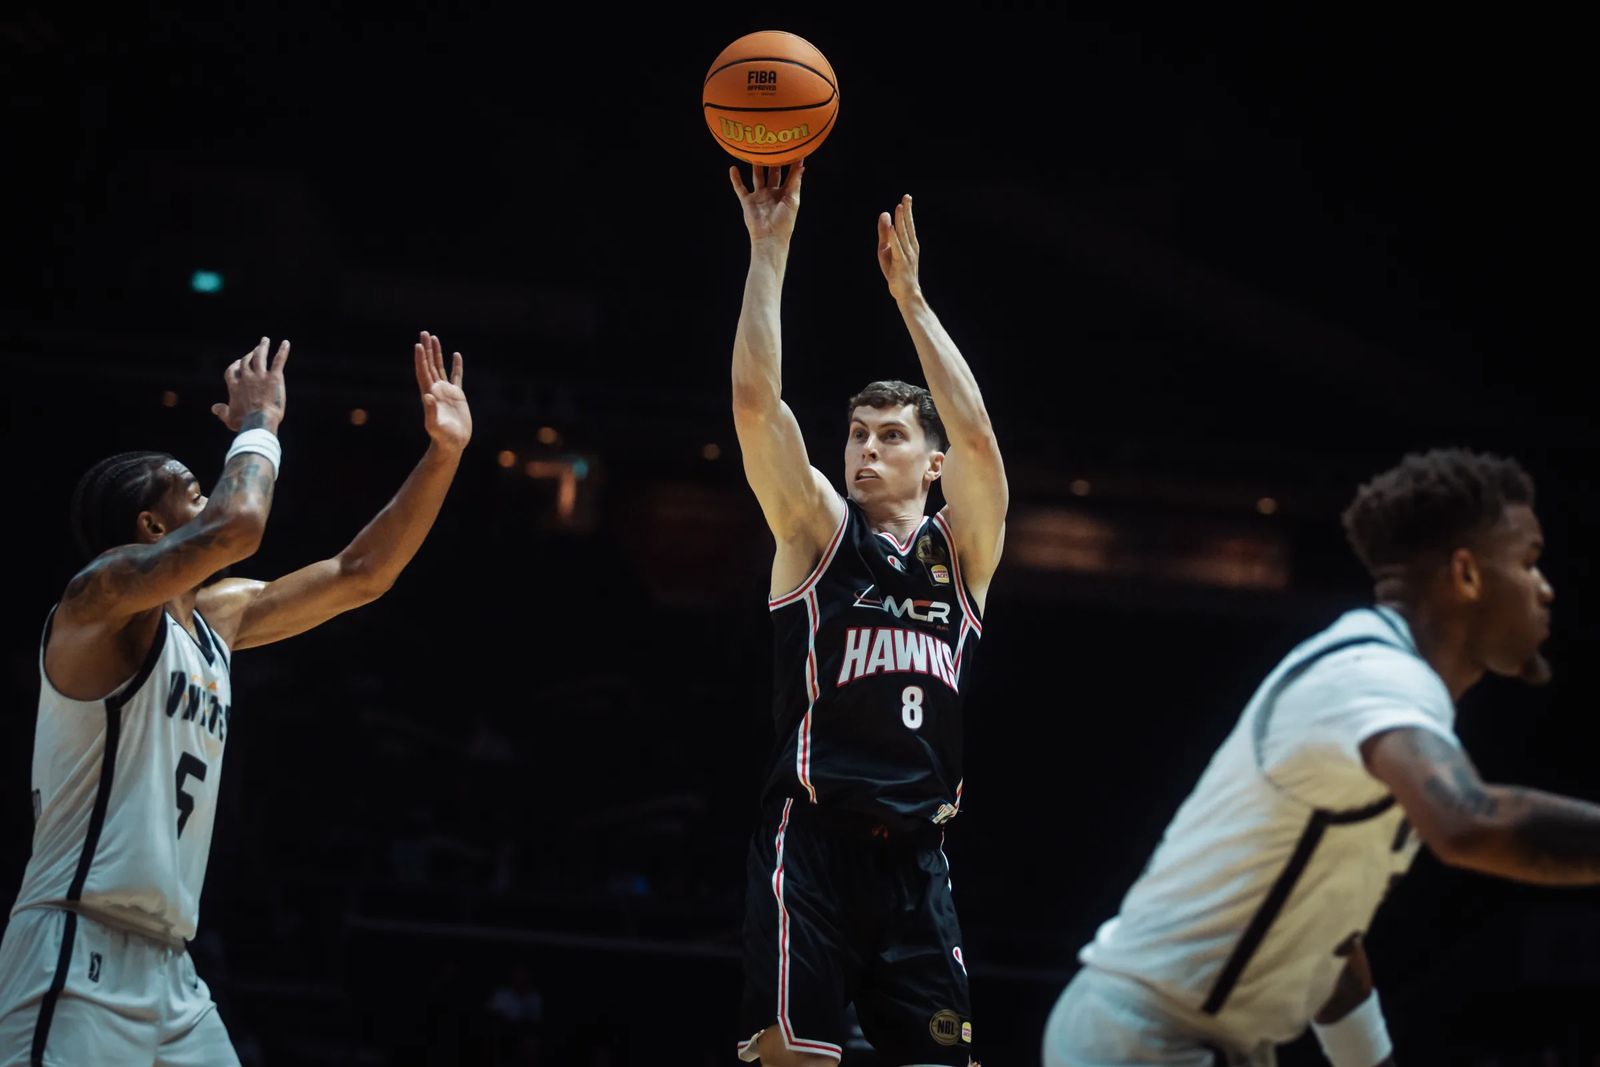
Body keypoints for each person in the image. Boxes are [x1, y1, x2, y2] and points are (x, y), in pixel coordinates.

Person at [0, 332, 472, 1066]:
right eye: (194, 491)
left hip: (170, 966)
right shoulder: (95, 604)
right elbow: (240, 525)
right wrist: (260, 427)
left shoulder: (218, 620)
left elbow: (360, 572)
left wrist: (442, 455)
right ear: (151, 529)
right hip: (74, 947)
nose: (213, 493)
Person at [1043, 448, 1600, 1066]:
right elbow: (1470, 824)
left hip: (1183, 1039)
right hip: (1146, 1038)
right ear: (1466, 575)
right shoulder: (1372, 675)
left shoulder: (1387, 685)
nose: (1546, 589)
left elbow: (1327, 940)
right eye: (1529, 563)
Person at [727, 159, 1007, 1067]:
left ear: (931, 466)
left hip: (918, 862)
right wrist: (770, 250)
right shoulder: (816, 532)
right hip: (813, 838)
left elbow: (978, 439)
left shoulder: (962, 556)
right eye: (858, 432)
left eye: (892, 437)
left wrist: (914, 302)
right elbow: (755, 405)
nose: (867, 449)